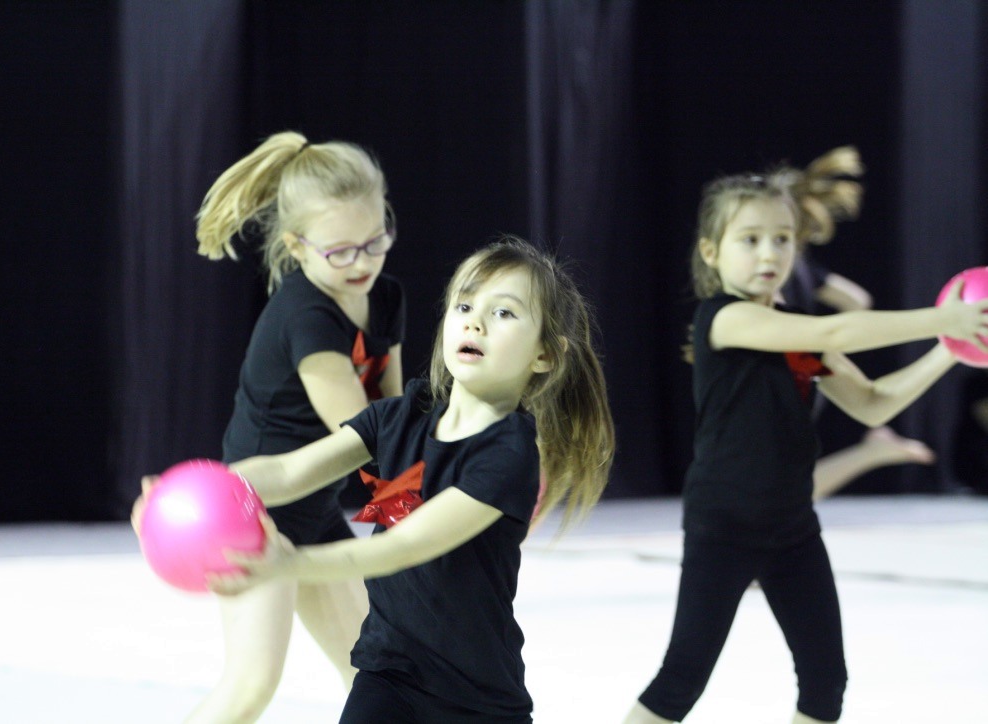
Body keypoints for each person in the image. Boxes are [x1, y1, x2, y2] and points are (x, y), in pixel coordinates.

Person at [623, 170, 988, 724]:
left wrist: (951, 346)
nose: (769, 252)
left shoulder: (796, 329)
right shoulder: (723, 318)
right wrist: (943, 317)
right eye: (750, 239)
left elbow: (872, 403)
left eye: (782, 238)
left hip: (792, 528)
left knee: (825, 683)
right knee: (681, 680)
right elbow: (833, 333)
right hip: (724, 525)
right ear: (711, 251)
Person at [210, 237, 616, 723]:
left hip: (479, 702)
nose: (475, 322)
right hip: (388, 676)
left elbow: (404, 546)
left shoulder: (509, 455)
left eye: (504, 313)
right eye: (464, 305)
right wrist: (206, 487)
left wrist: (292, 564)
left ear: (545, 355)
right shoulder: (400, 416)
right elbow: (287, 470)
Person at [172, 130, 405, 722]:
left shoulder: (385, 296)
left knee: (382, 677)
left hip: (316, 504)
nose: (363, 263)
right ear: (297, 246)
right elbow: (367, 432)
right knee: (250, 686)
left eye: (375, 241)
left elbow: (396, 412)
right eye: (341, 252)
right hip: (257, 511)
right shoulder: (306, 316)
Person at [776, 146, 935, 500]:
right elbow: (856, 300)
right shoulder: (796, 262)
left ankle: (871, 453)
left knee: (784, 489)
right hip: (801, 362)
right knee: (783, 487)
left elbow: (851, 307)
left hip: (792, 364)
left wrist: (825, 342)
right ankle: (871, 453)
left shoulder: (772, 270)